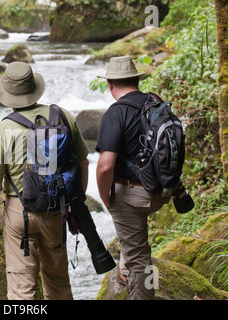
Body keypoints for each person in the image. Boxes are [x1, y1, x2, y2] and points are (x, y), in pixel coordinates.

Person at [0, 61, 89, 300]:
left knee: (22, 288)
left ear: (8, 95)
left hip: (20, 213)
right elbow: (83, 163)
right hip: (56, 207)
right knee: (59, 284)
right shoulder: (63, 116)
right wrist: (75, 206)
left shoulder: (3, 129)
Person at [95, 56, 170, 300]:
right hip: (160, 191)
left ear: (110, 85)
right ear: (137, 80)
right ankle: (125, 274)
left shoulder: (115, 114)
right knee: (134, 244)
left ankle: (141, 293)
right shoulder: (156, 103)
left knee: (140, 259)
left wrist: (105, 197)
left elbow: (105, 167)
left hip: (131, 196)